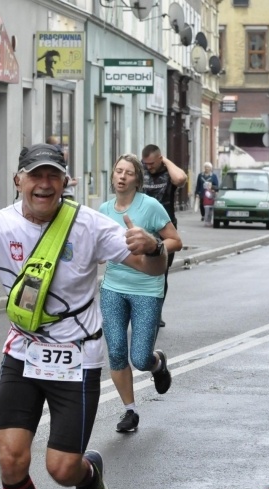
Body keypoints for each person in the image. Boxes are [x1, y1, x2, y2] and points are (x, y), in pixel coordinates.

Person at [0, 143, 167, 489]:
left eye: (53, 176)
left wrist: (154, 248)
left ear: (66, 182)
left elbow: (152, 269)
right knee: (10, 460)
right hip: (24, 352)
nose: (44, 184)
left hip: (77, 357)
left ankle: (88, 476)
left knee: (62, 468)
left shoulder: (90, 224)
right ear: (19, 180)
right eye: (36, 175)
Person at [99, 154, 181, 433]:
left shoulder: (150, 206)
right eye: (118, 171)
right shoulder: (103, 210)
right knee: (117, 353)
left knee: (140, 358)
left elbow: (175, 240)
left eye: (128, 172)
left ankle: (157, 365)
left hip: (147, 289)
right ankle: (129, 411)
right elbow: (96, 245)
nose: (122, 176)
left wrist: (152, 244)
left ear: (137, 180)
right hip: (113, 288)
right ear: (112, 176)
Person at [140, 144, 187, 328]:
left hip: (165, 230)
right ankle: (141, 311)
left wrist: (166, 161)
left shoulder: (168, 172)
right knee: (139, 272)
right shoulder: (140, 170)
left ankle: (156, 312)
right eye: (146, 163)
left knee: (161, 273)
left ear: (160, 159)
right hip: (142, 228)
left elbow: (181, 178)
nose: (149, 167)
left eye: (152, 163)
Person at [46, 135, 77, 199]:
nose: (65, 152)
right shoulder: (57, 167)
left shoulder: (64, 166)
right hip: (64, 195)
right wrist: (72, 183)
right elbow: (58, 182)